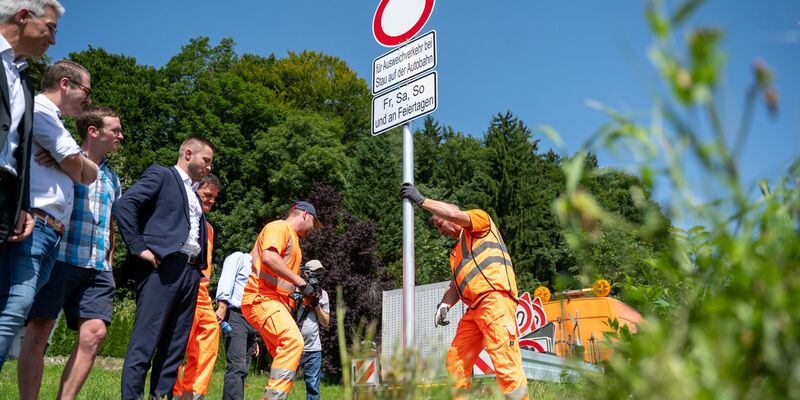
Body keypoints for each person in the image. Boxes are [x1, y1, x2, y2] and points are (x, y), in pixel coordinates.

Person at [18, 105, 122, 400]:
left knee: (95, 334)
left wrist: (110, 262)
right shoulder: (59, 158)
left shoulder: (113, 180)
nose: (121, 136)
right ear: (93, 131)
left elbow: (110, 224)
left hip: (97, 267)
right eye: (115, 130)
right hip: (60, 258)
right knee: (40, 330)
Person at [0, 59, 97, 370]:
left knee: (17, 309)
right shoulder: (40, 110)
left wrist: (67, 160)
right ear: (65, 84)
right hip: (35, 225)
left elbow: (89, 173)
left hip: (51, 233)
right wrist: (69, 161)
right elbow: (76, 166)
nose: (88, 100)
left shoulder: (55, 121)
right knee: (15, 307)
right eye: (86, 91)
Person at [399, 182, 529, 400]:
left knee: (505, 363)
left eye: (440, 224)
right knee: (456, 361)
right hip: (475, 311)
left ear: (452, 215)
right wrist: (444, 305)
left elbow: (453, 213)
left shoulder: (480, 221)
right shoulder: (457, 253)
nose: (440, 231)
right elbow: (456, 284)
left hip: (494, 300)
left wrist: (421, 201)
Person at [115, 136, 214, 400]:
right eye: (207, 160)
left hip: (191, 273)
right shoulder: (162, 175)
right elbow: (125, 205)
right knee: (145, 344)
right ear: (189, 154)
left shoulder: (194, 193)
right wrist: (138, 247)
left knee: (174, 349)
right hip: (162, 269)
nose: (209, 167)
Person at [241, 201, 322, 400]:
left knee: (284, 354)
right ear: (304, 214)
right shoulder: (279, 227)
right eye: (314, 222)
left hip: (273, 302)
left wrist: (304, 292)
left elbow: (266, 266)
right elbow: (268, 257)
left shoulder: (293, 241)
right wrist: (302, 283)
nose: (314, 228)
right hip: (262, 298)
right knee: (293, 342)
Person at [0, 0, 65, 246]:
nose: (53, 40)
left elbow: (19, 148)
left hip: (6, 198)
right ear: (23, 16)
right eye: (50, 28)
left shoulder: (24, 79)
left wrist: (22, 205)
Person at [173, 173, 221, 400]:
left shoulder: (209, 228)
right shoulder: (185, 219)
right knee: (178, 342)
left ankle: (193, 393)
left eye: (214, 198)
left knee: (210, 336)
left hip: (202, 293)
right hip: (185, 286)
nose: (210, 201)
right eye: (207, 195)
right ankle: (172, 391)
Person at [216, 250, 261, 400]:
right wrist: (222, 307)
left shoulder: (260, 270)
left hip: (250, 320)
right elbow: (226, 280)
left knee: (244, 368)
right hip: (234, 316)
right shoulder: (239, 258)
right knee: (236, 367)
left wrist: (255, 337)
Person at [294, 260, 330, 400]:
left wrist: (316, 305)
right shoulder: (294, 289)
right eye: (316, 271)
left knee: (313, 387)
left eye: (321, 272)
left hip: (313, 348)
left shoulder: (322, 294)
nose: (319, 275)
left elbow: (325, 322)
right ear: (306, 273)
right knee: (283, 381)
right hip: (294, 346)